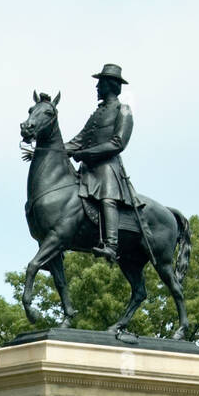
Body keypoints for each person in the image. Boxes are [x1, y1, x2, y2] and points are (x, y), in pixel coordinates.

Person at [65, 63, 138, 263]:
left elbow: (118, 142)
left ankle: (111, 245)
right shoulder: (96, 114)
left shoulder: (123, 110)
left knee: (107, 198)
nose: (97, 88)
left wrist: (85, 154)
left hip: (107, 168)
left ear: (111, 85)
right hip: (88, 169)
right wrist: (51, 149)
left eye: (100, 84)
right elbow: (77, 140)